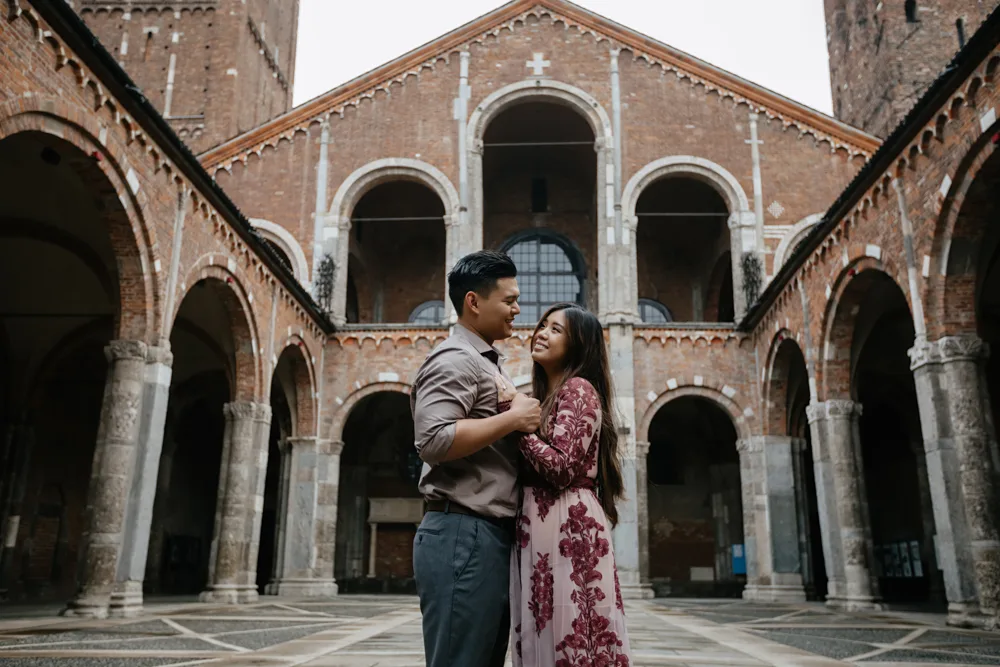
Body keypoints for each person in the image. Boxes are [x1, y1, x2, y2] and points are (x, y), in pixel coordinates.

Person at [411, 250, 542, 667]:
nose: (517, 310)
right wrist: (515, 419)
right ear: (473, 301)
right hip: (462, 532)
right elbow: (432, 439)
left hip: (481, 535)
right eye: (509, 300)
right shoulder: (456, 360)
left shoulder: (484, 361)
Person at [508, 303, 632, 667]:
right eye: (542, 325)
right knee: (542, 629)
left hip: (568, 525)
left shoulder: (578, 389)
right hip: (539, 525)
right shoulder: (545, 396)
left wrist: (515, 424)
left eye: (556, 329)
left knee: (573, 631)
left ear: (578, 344)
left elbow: (561, 467)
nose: (541, 332)